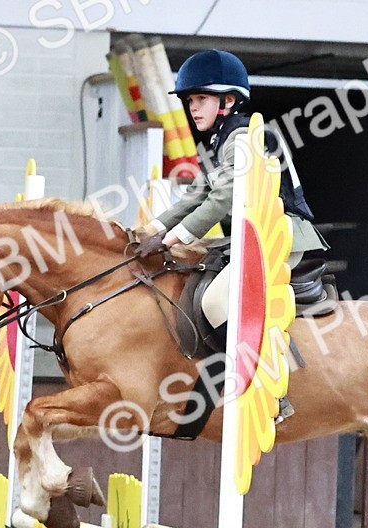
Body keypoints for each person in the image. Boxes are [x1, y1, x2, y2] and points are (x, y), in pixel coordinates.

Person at [134, 49, 328, 422]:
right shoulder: (222, 138)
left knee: (214, 302)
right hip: (257, 233)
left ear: (227, 100)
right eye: (190, 100)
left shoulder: (240, 137)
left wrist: (172, 238)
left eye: (201, 98)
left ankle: (270, 391)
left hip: (286, 234)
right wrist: (152, 229)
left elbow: (223, 198)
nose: (193, 107)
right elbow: (199, 193)